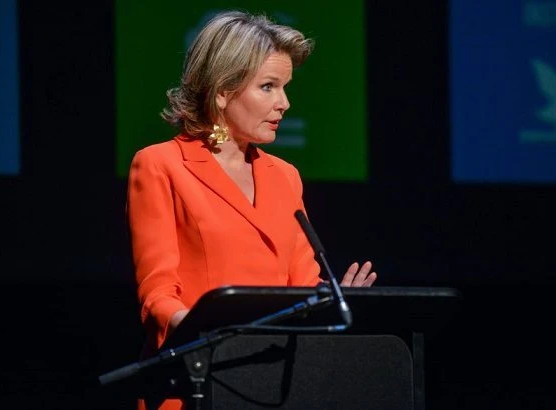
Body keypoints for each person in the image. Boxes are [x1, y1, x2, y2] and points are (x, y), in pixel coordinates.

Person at [126, 10, 377, 410]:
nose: (285, 103)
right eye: (268, 87)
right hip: (194, 383)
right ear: (223, 91)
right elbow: (158, 291)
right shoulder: (161, 165)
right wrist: (198, 331)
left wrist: (331, 301)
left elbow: (302, 283)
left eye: (285, 87)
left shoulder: (285, 177)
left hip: (273, 384)